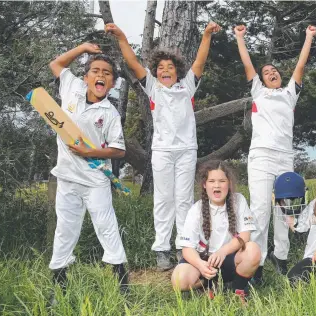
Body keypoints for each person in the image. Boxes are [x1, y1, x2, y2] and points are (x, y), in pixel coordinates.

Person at [105, 22, 222, 271]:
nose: (165, 70)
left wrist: (206, 35)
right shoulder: (153, 87)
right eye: (160, 68)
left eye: (170, 67)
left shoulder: (187, 85)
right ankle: (161, 249)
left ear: (177, 72)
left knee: (183, 199)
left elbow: (200, 62)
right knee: (163, 200)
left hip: (187, 150)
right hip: (162, 152)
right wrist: (123, 37)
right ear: (156, 73)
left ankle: (184, 248)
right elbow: (134, 63)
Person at [233, 23, 316, 282]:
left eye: (274, 71)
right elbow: (248, 65)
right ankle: (255, 261)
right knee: (260, 210)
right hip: (260, 156)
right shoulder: (258, 91)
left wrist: (308, 37)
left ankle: (280, 256)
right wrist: (239, 38)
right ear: (261, 79)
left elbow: (300, 66)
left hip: (284, 157)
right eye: (266, 72)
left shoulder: (290, 93)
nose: (270, 73)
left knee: (284, 209)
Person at [47, 43, 129, 298]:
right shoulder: (71, 87)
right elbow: (56, 65)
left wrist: (89, 152)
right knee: (66, 229)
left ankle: (122, 284)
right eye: (95, 70)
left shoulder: (110, 113)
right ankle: (58, 282)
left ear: (113, 82)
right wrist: (82, 48)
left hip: (96, 180)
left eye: (107, 73)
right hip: (67, 178)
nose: (101, 75)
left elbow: (119, 150)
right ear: (86, 77)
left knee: (106, 227)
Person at [171, 160, 261, 303]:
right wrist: (201, 265)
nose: (217, 185)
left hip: (228, 259)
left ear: (229, 184)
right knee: (179, 280)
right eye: (212, 181)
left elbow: (245, 235)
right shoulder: (196, 209)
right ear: (205, 185)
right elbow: (187, 248)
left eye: (222, 181)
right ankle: (209, 284)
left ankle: (238, 290)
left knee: (253, 250)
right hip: (203, 260)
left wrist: (222, 252)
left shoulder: (239, 200)